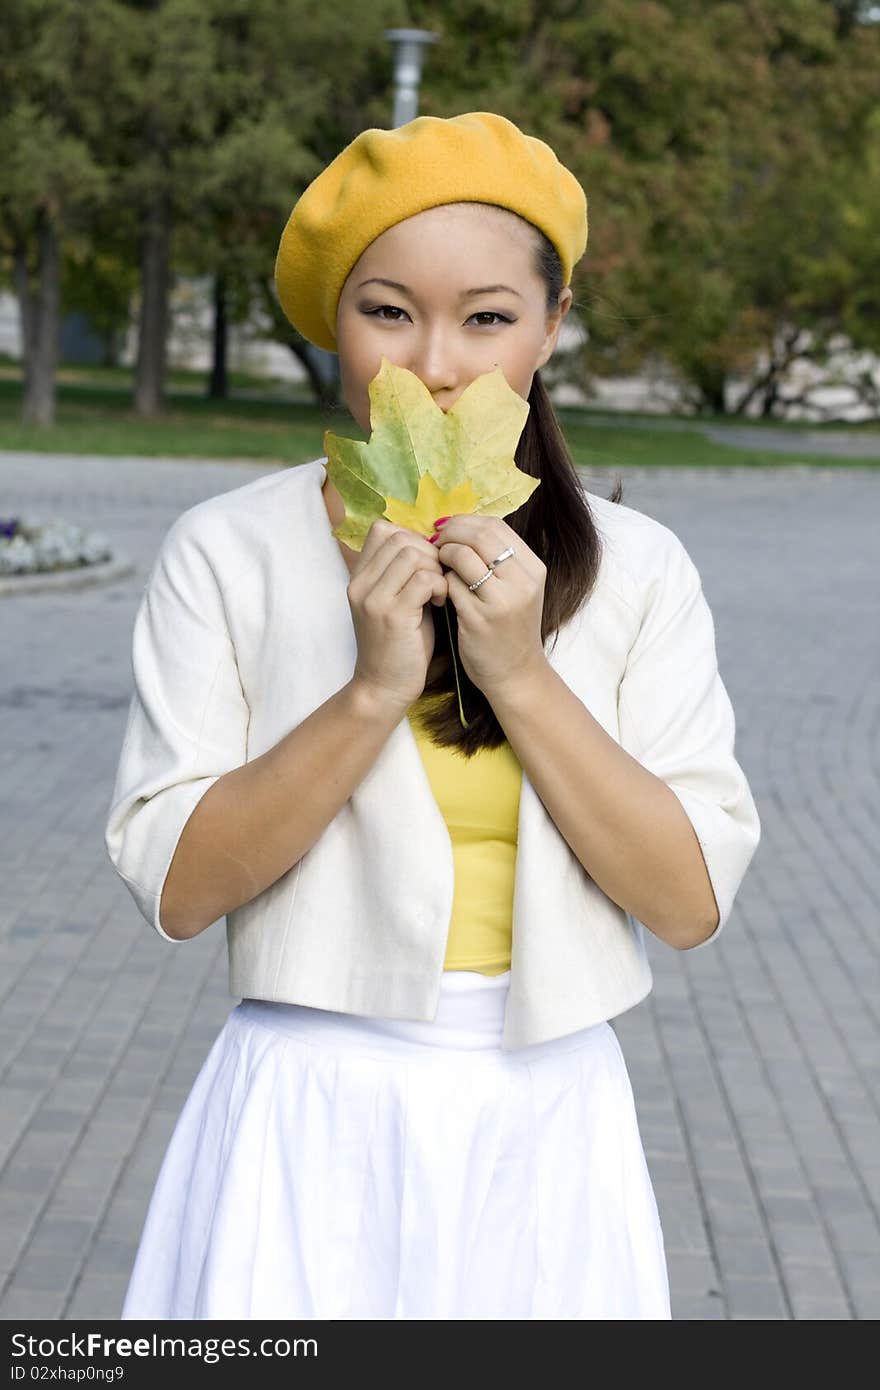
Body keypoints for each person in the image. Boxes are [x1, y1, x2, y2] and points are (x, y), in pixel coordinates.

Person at [105, 111, 761, 1320]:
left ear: (552, 326)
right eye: (389, 311)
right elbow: (181, 891)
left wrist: (518, 674)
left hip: (547, 1113)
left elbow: (685, 903)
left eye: (490, 317)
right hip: (306, 1106)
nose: (438, 364)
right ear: (333, 326)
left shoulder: (640, 567)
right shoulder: (227, 552)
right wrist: (369, 691)